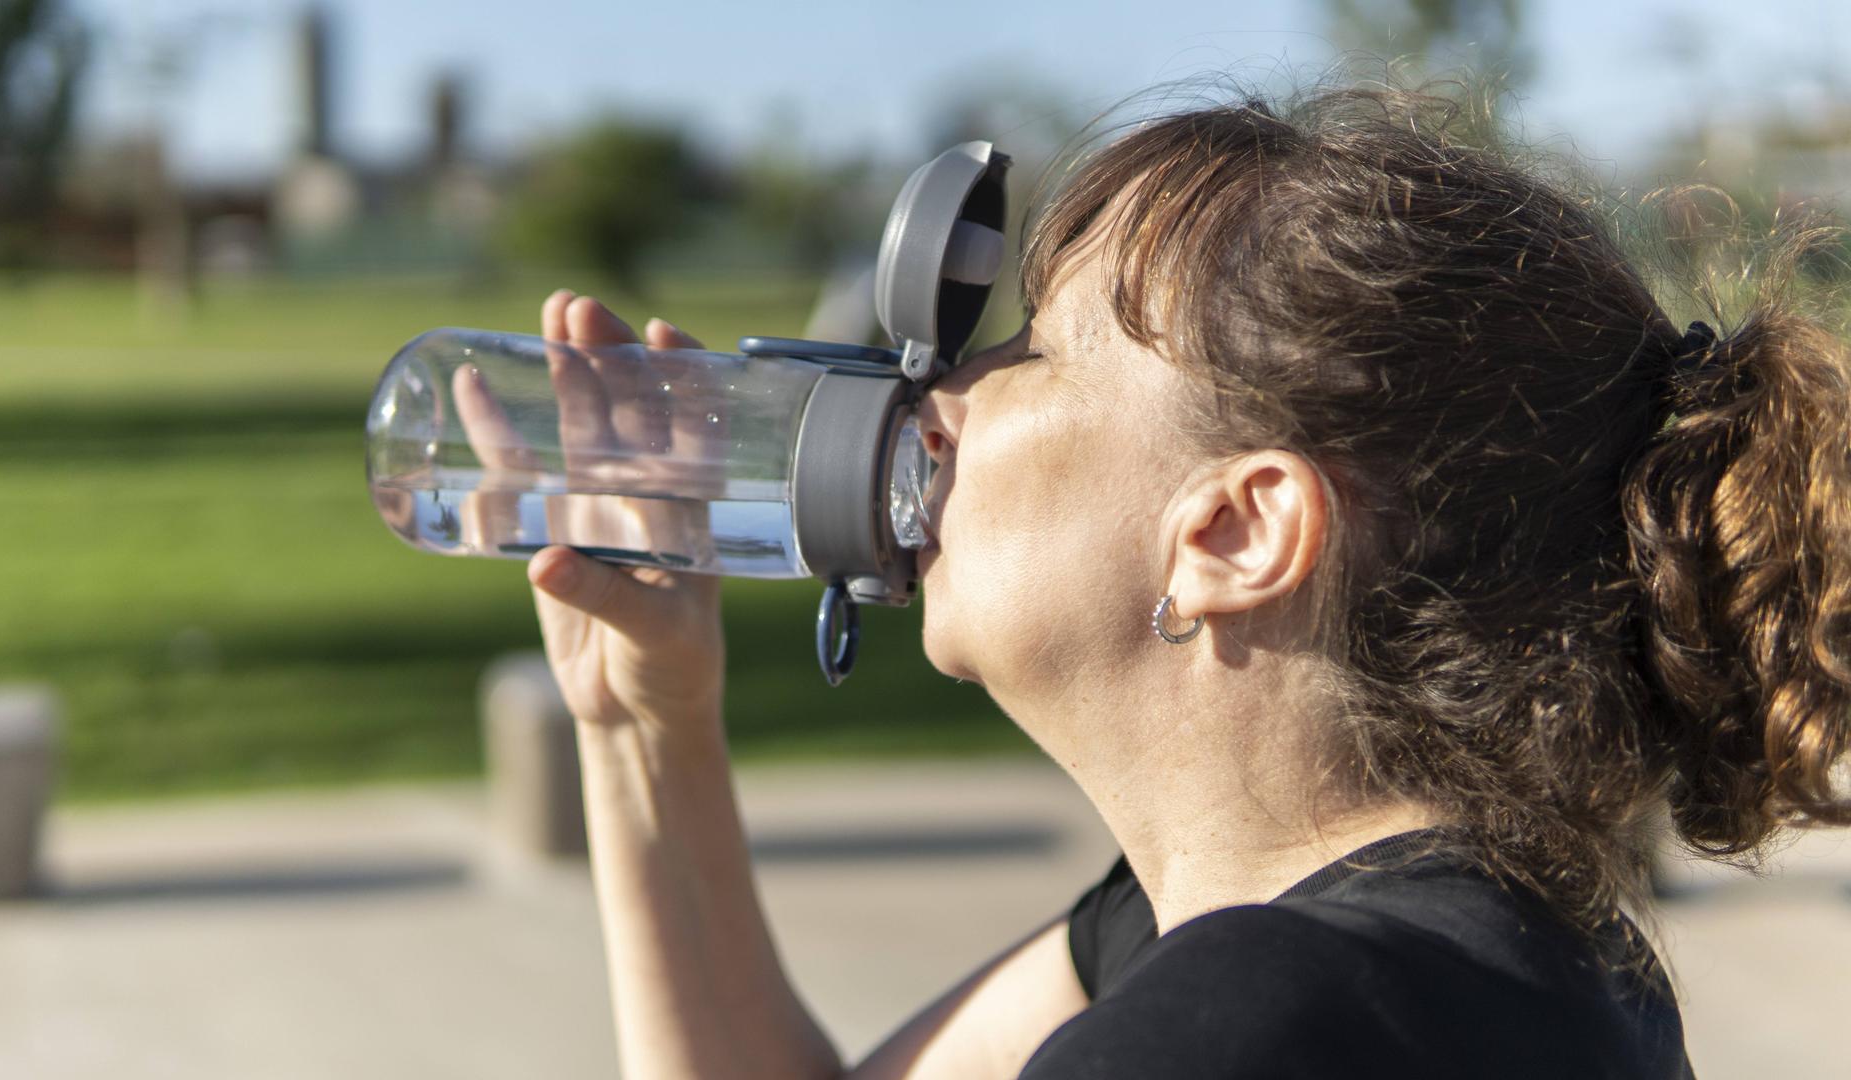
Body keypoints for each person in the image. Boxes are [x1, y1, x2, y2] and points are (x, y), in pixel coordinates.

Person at [513, 77, 1851, 1079]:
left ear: (1234, 532)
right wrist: (646, 724)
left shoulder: (1251, 1026)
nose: (946, 390)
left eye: (1035, 345)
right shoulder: (1450, 960)